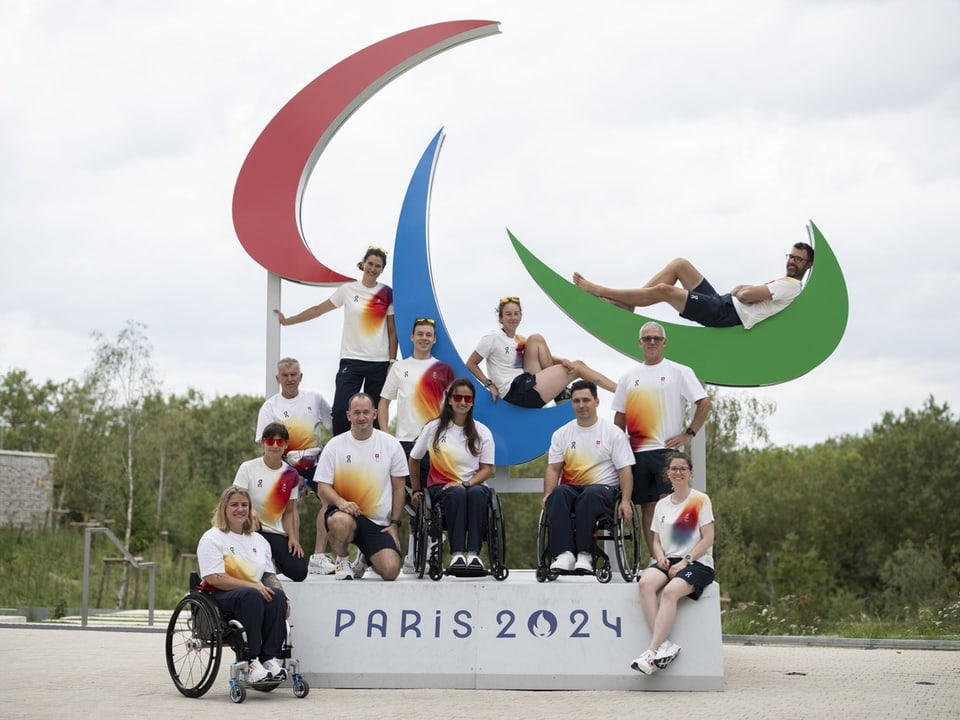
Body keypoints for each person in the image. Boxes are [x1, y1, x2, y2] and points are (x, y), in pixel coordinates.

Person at [612, 321, 711, 563]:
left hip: (667, 452)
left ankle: (676, 555)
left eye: (657, 338)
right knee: (647, 508)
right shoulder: (628, 377)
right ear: (640, 343)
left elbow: (704, 403)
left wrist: (689, 433)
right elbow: (619, 416)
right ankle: (657, 558)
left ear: (664, 342)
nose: (652, 342)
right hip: (636, 453)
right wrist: (616, 448)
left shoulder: (679, 371)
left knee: (669, 506)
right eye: (647, 338)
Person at [274, 246, 398, 436]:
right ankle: (340, 450)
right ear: (363, 264)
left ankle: (377, 457)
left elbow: (392, 331)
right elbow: (318, 310)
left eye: (378, 266)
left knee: (374, 415)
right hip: (351, 360)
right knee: (341, 411)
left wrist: (392, 361)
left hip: (379, 363)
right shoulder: (347, 290)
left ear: (382, 269)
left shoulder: (387, 293)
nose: (373, 268)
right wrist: (287, 321)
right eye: (370, 264)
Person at [573, 242, 814, 330]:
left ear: (808, 265)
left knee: (665, 292)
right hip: (723, 302)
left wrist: (741, 289)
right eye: (791, 257)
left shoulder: (791, 286)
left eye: (798, 259)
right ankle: (630, 305)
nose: (792, 262)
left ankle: (599, 290)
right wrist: (739, 291)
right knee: (680, 265)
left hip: (725, 312)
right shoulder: (786, 283)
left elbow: (748, 295)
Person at [377, 317, 455, 572]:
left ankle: (431, 548)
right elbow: (384, 402)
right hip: (405, 443)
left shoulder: (443, 369)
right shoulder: (400, 368)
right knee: (409, 501)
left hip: (436, 444)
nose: (423, 338)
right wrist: (385, 434)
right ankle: (410, 554)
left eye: (428, 334)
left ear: (434, 339)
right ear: (411, 337)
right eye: (419, 333)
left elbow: (455, 408)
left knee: (432, 498)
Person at [630, 451, 715, 675]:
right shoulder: (661, 505)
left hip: (697, 562)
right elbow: (656, 539)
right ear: (667, 474)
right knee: (645, 583)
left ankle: (650, 652)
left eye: (682, 469)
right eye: (674, 469)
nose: (678, 473)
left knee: (670, 592)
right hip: (669, 560)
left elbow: (708, 538)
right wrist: (658, 555)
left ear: (690, 473)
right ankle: (666, 645)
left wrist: (686, 561)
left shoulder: (700, 500)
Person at [197, 486, 290, 683]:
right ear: (224, 508)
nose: (240, 509)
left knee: (276, 596)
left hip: (250, 596)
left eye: (244, 505)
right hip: (219, 596)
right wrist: (253, 586)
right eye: (234, 505)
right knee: (253, 594)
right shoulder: (212, 537)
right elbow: (214, 577)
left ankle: (270, 660)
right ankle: (251, 661)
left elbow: (267, 575)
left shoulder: (259, 540)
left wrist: (283, 597)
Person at [542, 380, 635, 573]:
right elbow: (553, 469)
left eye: (586, 400)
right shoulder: (562, 434)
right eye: (576, 401)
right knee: (557, 494)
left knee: (590, 495)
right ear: (572, 404)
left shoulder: (612, 433)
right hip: (574, 488)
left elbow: (625, 469)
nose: (581, 405)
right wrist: (547, 494)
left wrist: (626, 500)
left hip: (604, 490)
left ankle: (585, 554)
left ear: (597, 402)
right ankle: (565, 555)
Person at [314, 393, 408, 581]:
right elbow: (322, 487)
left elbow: (399, 488)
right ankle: (343, 560)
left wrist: (394, 524)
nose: (362, 417)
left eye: (366, 412)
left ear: (374, 414)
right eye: (357, 413)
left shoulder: (391, 444)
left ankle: (364, 559)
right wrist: (341, 502)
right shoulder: (335, 445)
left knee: (391, 571)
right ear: (349, 416)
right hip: (345, 515)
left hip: (378, 523)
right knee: (340, 522)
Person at [255, 357, 335, 575]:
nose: (290, 379)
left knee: (330, 502)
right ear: (277, 378)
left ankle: (318, 556)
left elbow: (335, 425)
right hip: (285, 461)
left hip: (315, 460)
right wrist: (290, 471)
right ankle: (291, 553)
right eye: (285, 375)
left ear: (301, 376)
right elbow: (265, 443)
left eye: (293, 375)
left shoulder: (315, 399)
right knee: (287, 507)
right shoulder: (270, 406)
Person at [466, 296, 617, 408]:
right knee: (578, 367)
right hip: (514, 391)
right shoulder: (493, 337)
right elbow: (471, 364)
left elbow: (545, 357)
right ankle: (620, 391)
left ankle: (560, 391)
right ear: (500, 318)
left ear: (520, 316)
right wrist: (489, 384)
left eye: (516, 314)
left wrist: (563, 360)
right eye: (508, 314)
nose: (513, 318)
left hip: (525, 382)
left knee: (535, 340)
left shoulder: (519, 340)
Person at [409, 378, 495, 572]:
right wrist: (415, 489)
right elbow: (414, 458)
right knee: (456, 494)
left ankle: (473, 555)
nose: (462, 402)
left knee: (477, 493)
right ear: (449, 400)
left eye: (467, 398)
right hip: (441, 488)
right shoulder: (433, 428)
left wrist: (466, 483)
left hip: (472, 485)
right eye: (457, 397)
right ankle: (457, 555)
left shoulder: (482, 431)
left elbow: (487, 469)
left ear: (472, 401)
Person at [233, 422, 307, 581]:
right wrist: (250, 511)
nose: (274, 445)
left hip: (274, 531)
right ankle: (261, 563)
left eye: (280, 442)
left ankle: (271, 557)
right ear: (262, 444)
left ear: (286, 445)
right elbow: (234, 501)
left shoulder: (291, 474)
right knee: (253, 570)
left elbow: (289, 512)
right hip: (251, 528)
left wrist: (293, 538)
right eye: (270, 441)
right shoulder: (248, 468)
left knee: (299, 572)